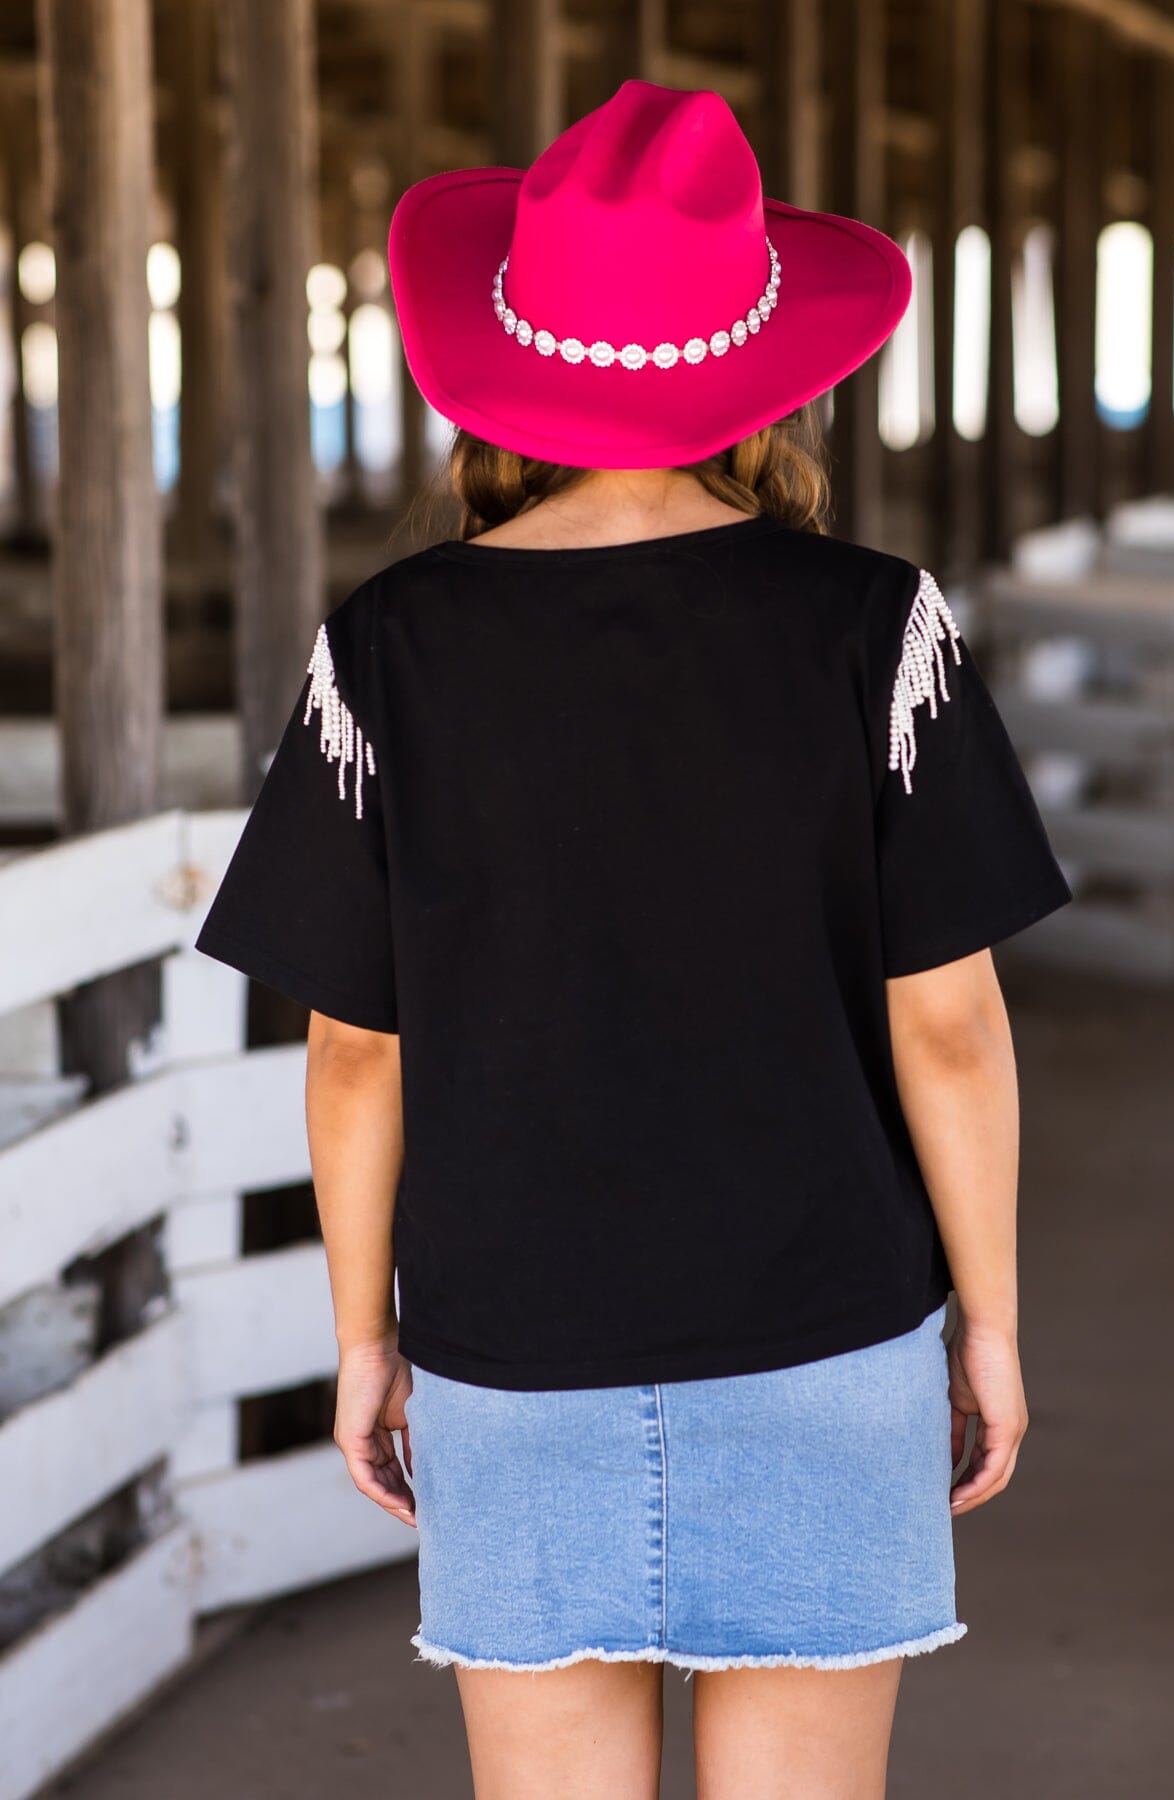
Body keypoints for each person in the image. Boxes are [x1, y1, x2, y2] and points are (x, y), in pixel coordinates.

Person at [194, 77, 1073, 1800]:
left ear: (508, 361)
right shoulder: (872, 625)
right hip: (827, 1341)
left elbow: (356, 1048)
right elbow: (951, 1026)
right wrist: (990, 1323)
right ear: (759, 370)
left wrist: (364, 1339)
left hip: (515, 1358)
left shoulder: (389, 648)